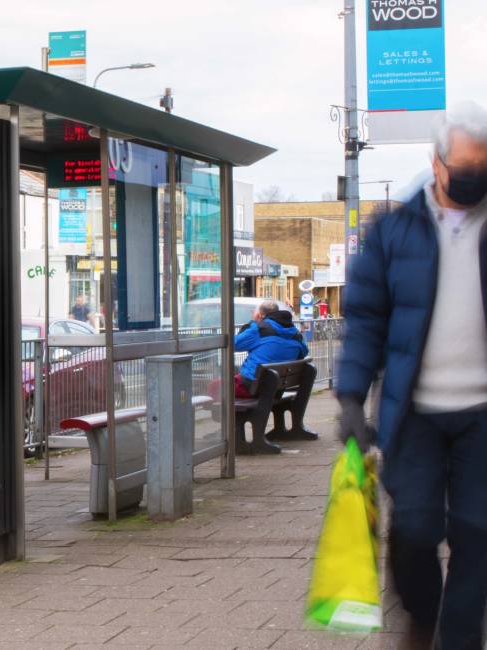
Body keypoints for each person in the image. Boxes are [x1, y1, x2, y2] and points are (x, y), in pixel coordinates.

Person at [336, 102, 487, 649]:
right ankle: (423, 614)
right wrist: (351, 398)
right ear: (438, 163)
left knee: (479, 533)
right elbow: (366, 318)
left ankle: (461, 638)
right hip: (414, 412)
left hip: (483, 417)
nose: (474, 178)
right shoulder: (395, 230)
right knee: (416, 530)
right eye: (466, 166)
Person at [208, 300, 309, 400]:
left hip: (254, 387)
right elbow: (304, 351)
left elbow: (233, 344)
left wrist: (253, 323)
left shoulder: (259, 329)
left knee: (214, 386)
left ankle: (233, 416)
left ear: (260, 315)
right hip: (277, 389)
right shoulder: (295, 333)